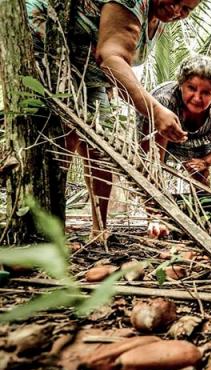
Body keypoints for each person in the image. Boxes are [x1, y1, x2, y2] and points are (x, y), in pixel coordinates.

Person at [25, 0, 201, 237]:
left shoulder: (157, 20)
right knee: (64, 138)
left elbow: (114, 61)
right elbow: (110, 56)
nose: (177, 10)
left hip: (91, 79)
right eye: (176, 0)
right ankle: (45, 226)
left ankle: (99, 228)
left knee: (102, 149)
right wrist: (155, 110)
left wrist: (112, 90)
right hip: (48, 53)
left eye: (187, 9)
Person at [139, 55, 211, 238]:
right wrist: (156, 214)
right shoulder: (164, 101)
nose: (197, 98)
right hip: (161, 134)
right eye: (191, 88)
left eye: (206, 92)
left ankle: (202, 221)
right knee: (153, 170)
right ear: (181, 84)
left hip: (200, 142)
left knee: (200, 174)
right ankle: (156, 220)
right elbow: (151, 162)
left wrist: (205, 162)